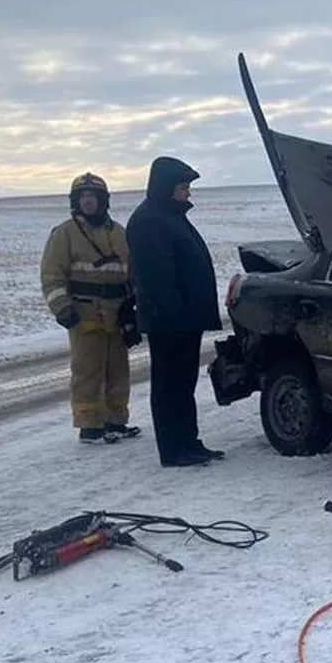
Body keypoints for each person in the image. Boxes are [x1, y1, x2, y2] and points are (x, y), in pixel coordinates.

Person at [126, 156, 223, 467]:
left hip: (184, 319)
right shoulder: (149, 221)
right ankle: (173, 449)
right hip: (170, 321)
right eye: (183, 187)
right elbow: (158, 276)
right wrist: (174, 314)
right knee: (169, 385)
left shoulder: (169, 216)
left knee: (183, 383)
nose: (188, 193)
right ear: (166, 188)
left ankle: (189, 442)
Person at [40, 172, 139, 445]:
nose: (88, 202)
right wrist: (62, 308)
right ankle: (90, 426)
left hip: (117, 315)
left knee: (118, 371)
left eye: (92, 197)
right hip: (84, 317)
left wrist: (133, 311)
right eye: (82, 197)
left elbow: (133, 274)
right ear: (75, 201)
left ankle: (116, 421)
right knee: (87, 372)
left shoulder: (119, 233)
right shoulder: (65, 234)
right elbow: (51, 276)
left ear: (103, 200)